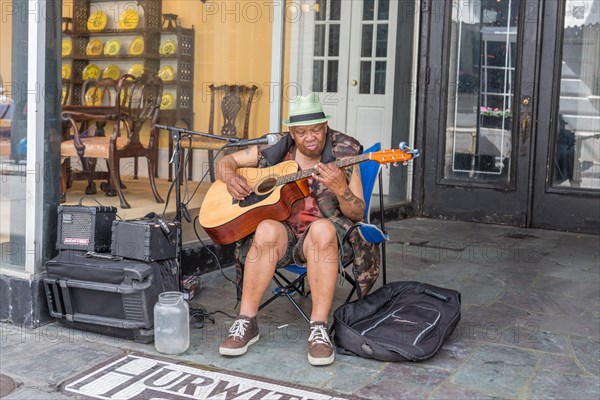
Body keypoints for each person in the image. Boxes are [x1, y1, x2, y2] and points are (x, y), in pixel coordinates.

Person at [215, 93, 380, 366]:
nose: (310, 138)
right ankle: (247, 321)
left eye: (316, 130)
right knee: (266, 228)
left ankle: (318, 328)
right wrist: (232, 177)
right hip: (284, 232)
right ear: (292, 132)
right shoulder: (277, 147)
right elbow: (226, 162)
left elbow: (357, 213)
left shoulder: (347, 151)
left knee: (322, 230)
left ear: (325, 127)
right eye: (302, 132)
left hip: (326, 236)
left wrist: (340, 188)